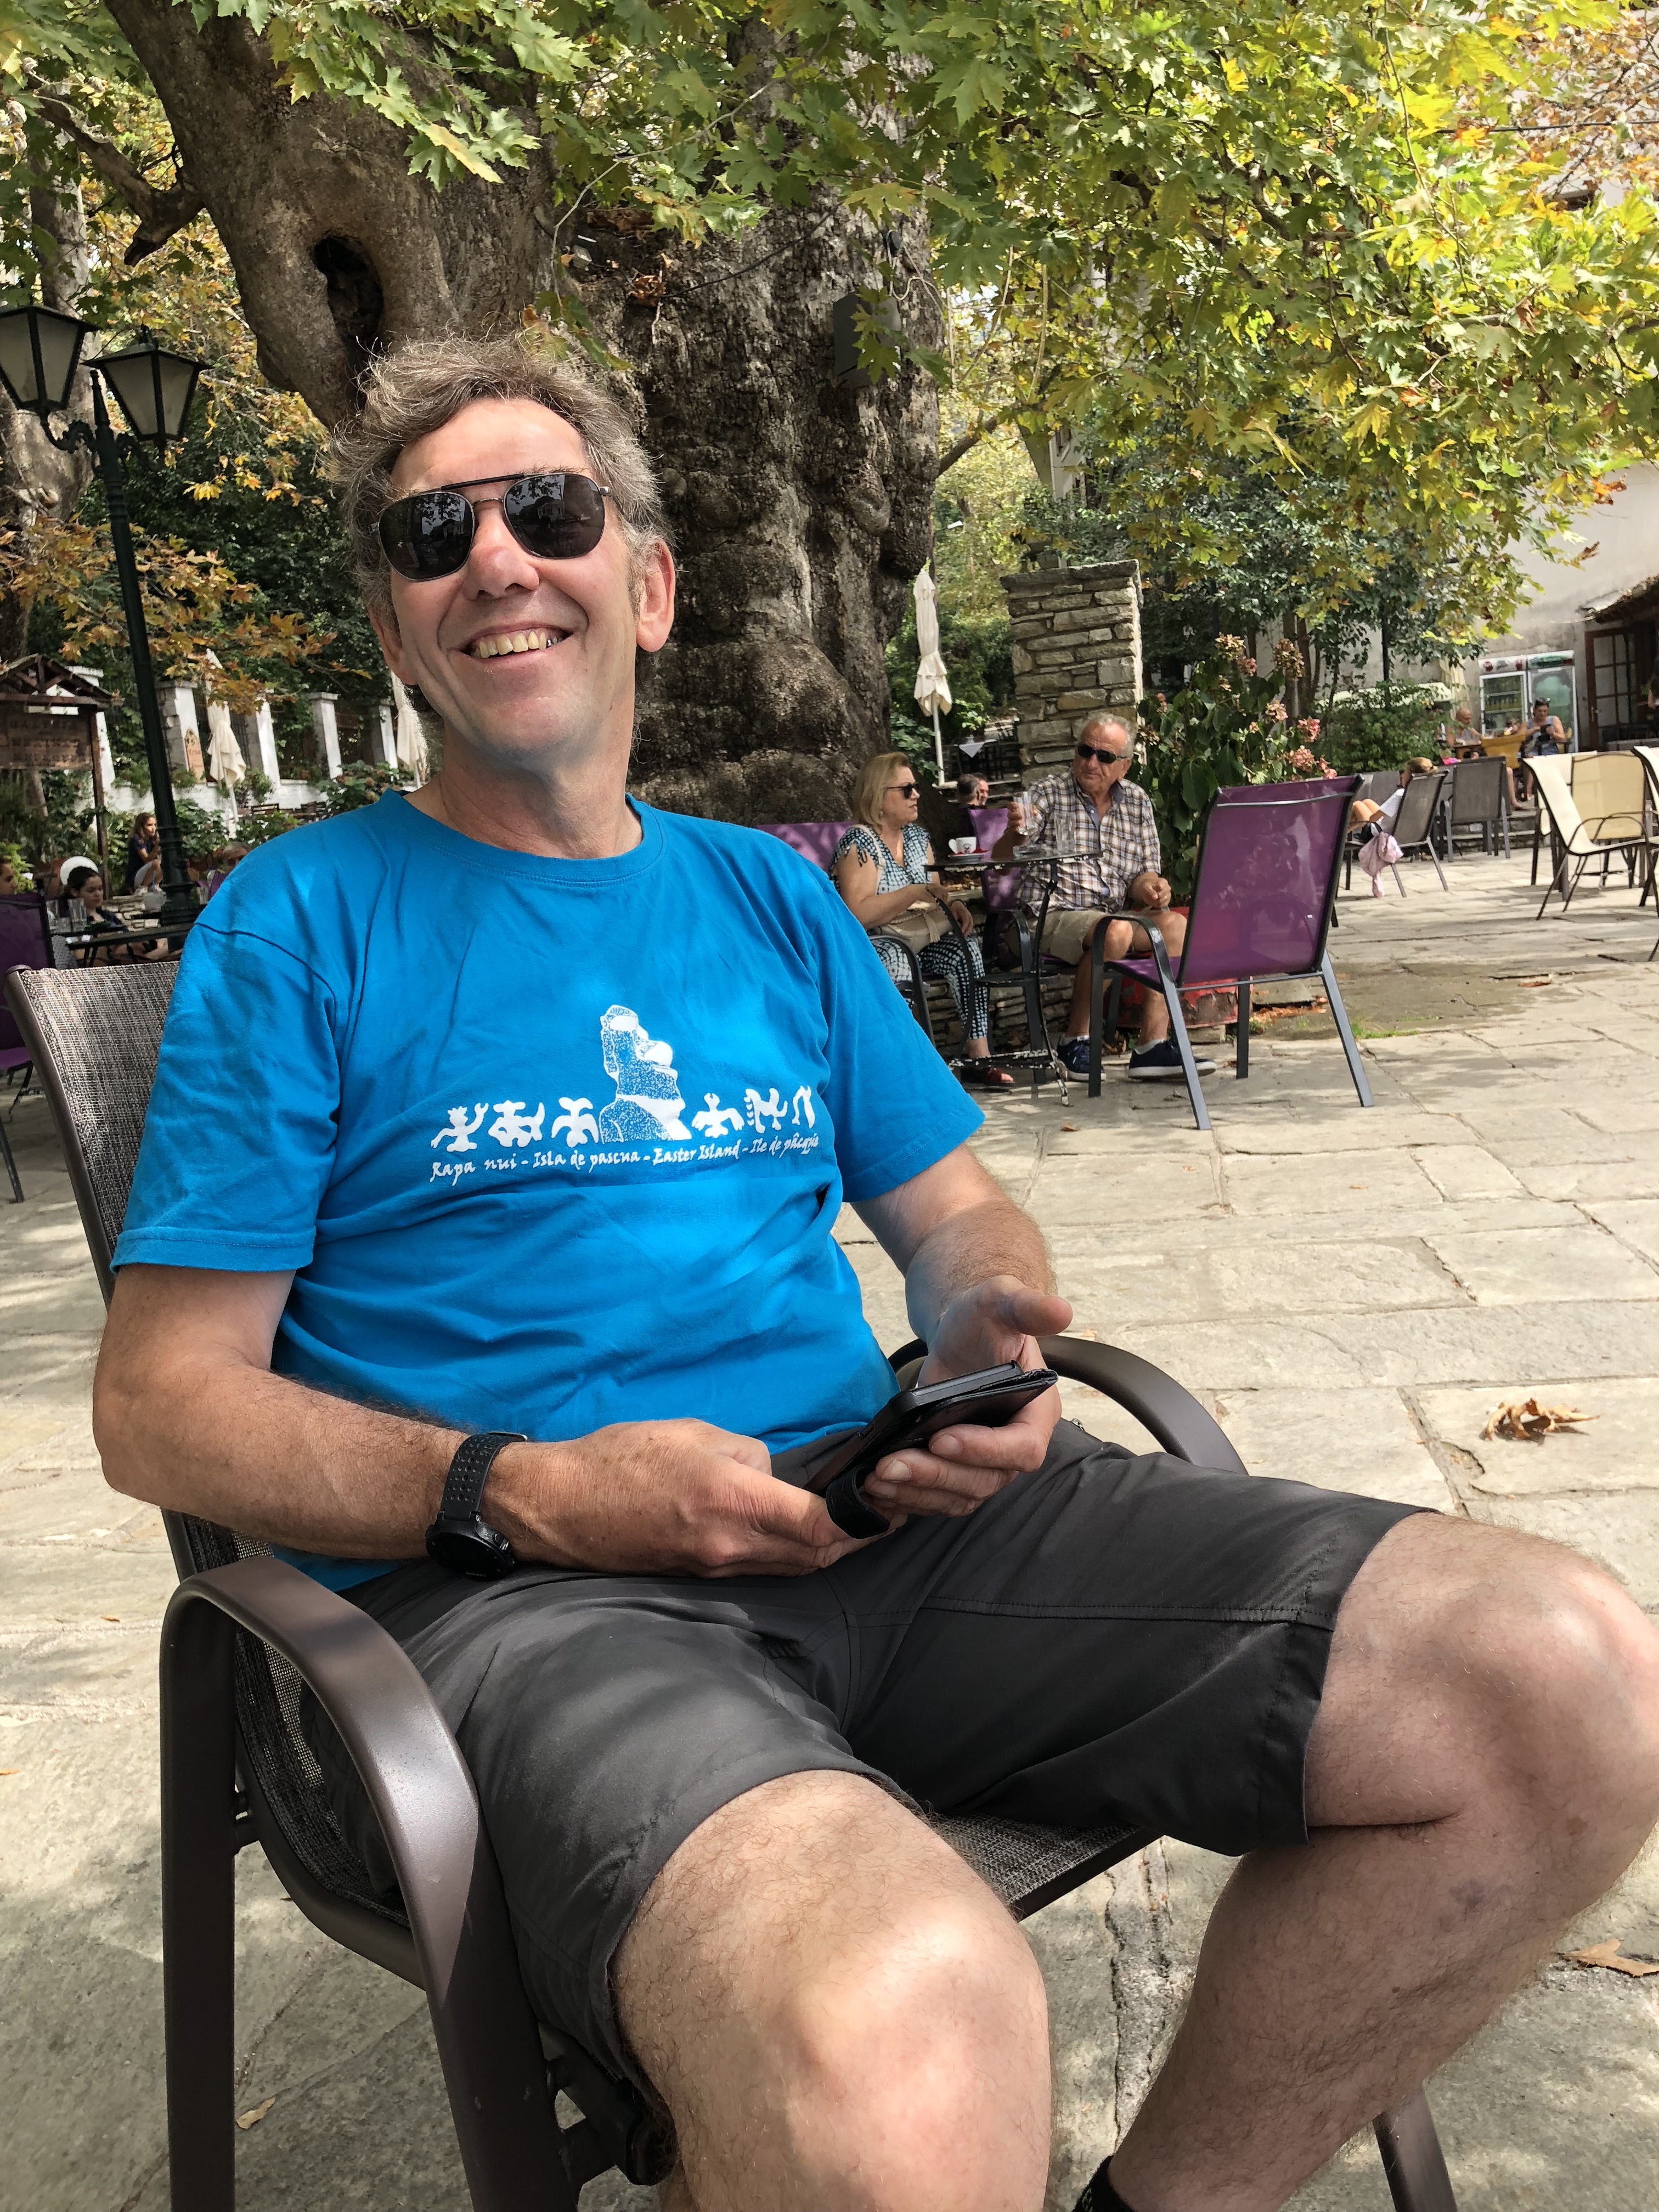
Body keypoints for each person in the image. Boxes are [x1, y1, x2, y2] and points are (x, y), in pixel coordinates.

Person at [93, 336, 1659, 2212]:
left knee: (1565, 1686)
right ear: (394, 625)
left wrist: (985, 1325)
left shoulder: (765, 895)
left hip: (882, 1524)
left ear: (648, 587)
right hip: (522, 1608)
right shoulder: (298, 922)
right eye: (437, 533)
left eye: (551, 511)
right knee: (909, 2027)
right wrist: (527, 1490)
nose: (498, 557)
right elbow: (160, 1408)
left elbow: (959, 1212)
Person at [992, 718, 1216, 1082]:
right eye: (1085, 751)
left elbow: (1144, 875)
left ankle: (1152, 1047)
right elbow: (1001, 863)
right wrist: (1015, 834)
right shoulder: (1047, 794)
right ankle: (1075, 1041)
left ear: (1124, 766)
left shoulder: (1137, 802)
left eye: (1104, 756)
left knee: (1175, 926)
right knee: (1115, 931)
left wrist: (1152, 887)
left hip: (1110, 919)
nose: (1091, 762)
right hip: (1046, 916)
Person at [832, 753, 1013, 1090]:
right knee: (897, 957)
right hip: (872, 943)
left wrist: (953, 904)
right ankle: (904, 1065)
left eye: (914, 787)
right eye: (906, 789)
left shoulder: (917, 838)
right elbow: (857, 914)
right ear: (878, 796)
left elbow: (935, 893)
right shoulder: (859, 843)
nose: (916, 795)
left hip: (920, 936)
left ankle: (979, 1058)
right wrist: (913, 891)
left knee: (964, 949)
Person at [61, 865, 165, 962]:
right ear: (75, 892)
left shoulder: (107, 916)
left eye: (100, 889)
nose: (98, 894)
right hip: (105, 961)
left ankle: (152, 957)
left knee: (166, 941)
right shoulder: (72, 919)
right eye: (91, 890)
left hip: (130, 955)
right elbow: (80, 949)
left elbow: (127, 934)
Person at [944, 769, 990, 848]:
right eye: (982, 791)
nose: (985, 796)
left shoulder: (949, 814)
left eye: (987, 792)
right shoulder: (982, 816)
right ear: (977, 793)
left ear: (957, 795)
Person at [123, 812, 159, 894]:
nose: (153, 828)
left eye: (155, 825)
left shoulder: (152, 840)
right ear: (141, 827)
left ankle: (155, 886)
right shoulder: (137, 839)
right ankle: (143, 887)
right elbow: (147, 860)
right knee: (156, 863)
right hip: (136, 876)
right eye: (149, 825)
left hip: (149, 875)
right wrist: (158, 847)